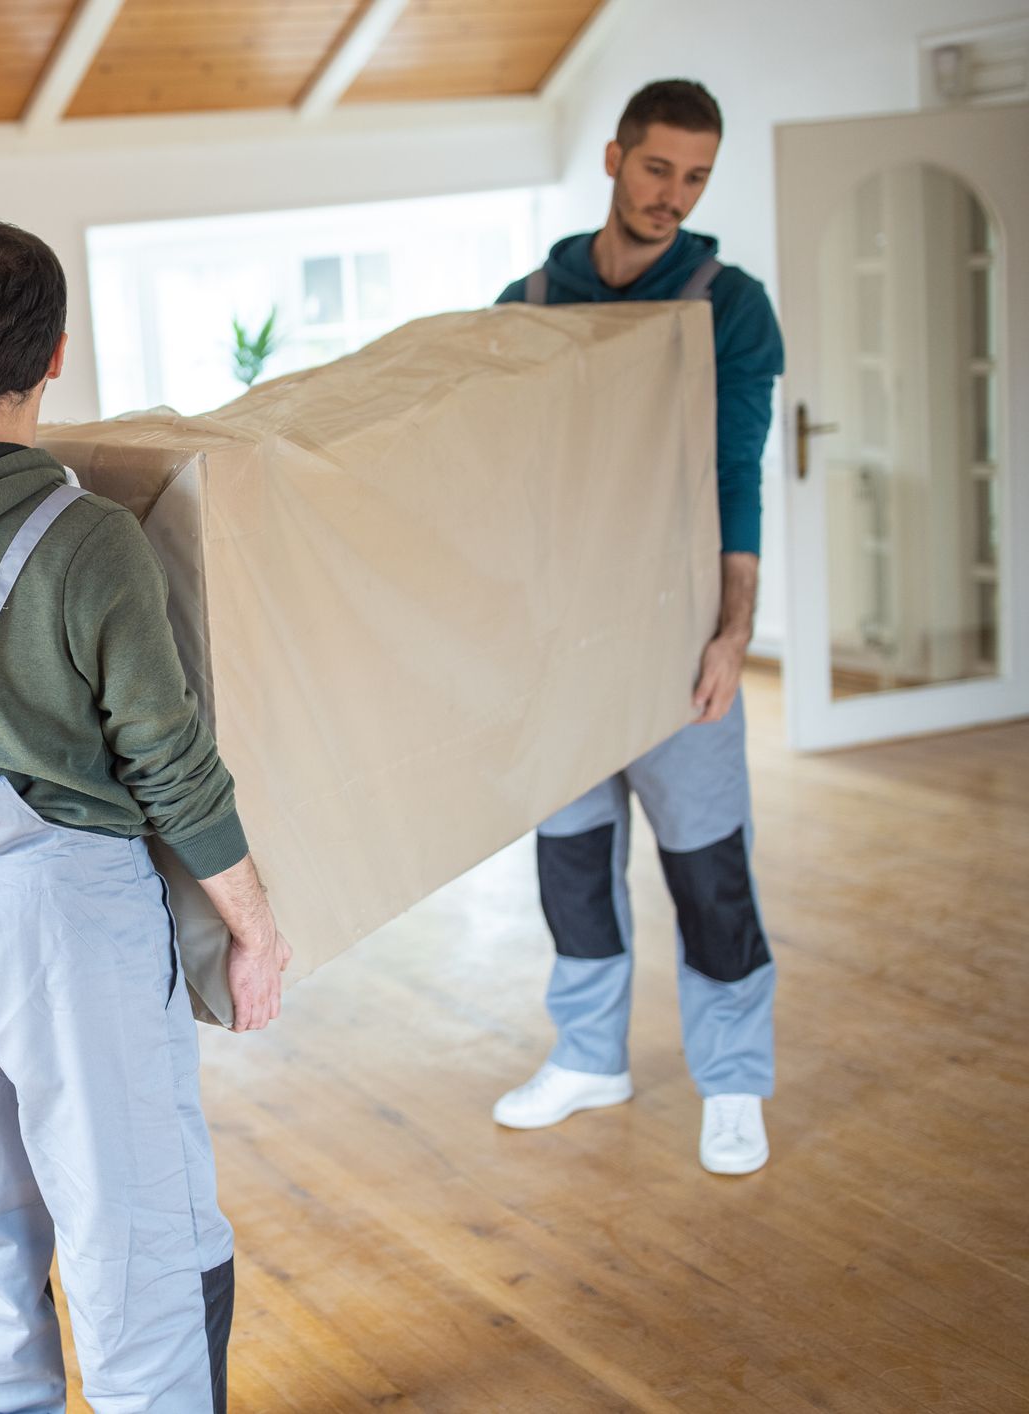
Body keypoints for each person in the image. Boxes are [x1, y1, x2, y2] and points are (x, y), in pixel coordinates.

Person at [0, 217, 292, 1412]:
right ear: (57, 355)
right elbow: (169, 756)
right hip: (62, 909)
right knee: (133, 1223)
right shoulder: (86, 539)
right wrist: (252, 921)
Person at [492, 79, 784, 1175]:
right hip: (562, 647)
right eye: (657, 168)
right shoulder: (527, 300)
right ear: (613, 158)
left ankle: (734, 1077)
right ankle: (585, 1054)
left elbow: (734, 475)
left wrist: (730, 631)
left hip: (676, 645)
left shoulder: (726, 301)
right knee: (570, 864)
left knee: (708, 871)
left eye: (695, 177)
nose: (673, 195)